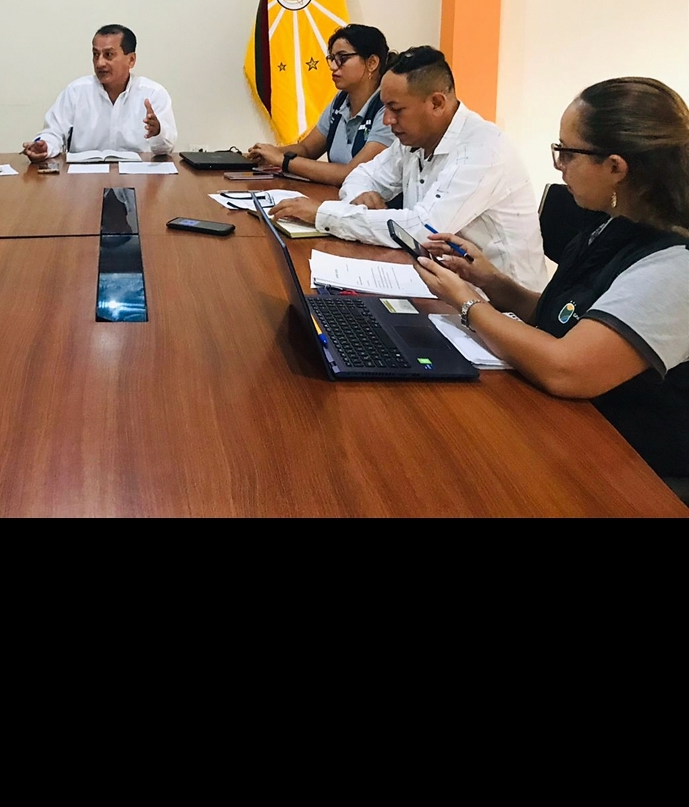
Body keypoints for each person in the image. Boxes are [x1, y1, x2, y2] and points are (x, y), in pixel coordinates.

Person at [417, 78, 689, 494]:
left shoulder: (673, 266)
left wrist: (469, 304)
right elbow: (568, 317)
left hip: (632, 467)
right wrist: (492, 282)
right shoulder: (612, 221)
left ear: (616, 167)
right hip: (570, 424)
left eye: (568, 153)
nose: (559, 164)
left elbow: (567, 368)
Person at [278, 46, 546, 287]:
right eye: (385, 108)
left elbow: (423, 230)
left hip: (499, 308)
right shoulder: (412, 139)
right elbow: (360, 175)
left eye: (396, 109)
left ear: (437, 103)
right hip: (436, 281)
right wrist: (360, 197)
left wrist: (324, 214)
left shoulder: (482, 150)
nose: (387, 120)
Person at [248, 26, 394, 191]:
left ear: (372, 63)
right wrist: (267, 154)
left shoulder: (388, 109)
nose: (332, 66)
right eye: (331, 58)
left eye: (342, 58)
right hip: (340, 198)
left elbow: (351, 173)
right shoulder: (340, 100)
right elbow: (306, 149)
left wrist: (283, 160)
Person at [23, 27, 178, 164]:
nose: (99, 63)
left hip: (137, 178)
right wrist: (44, 146)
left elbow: (165, 149)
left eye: (108, 55)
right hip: (83, 180)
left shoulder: (153, 93)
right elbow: (53, 132)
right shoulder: (76, 91)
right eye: (96, 54)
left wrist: (158, 131)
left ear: (131, 60)